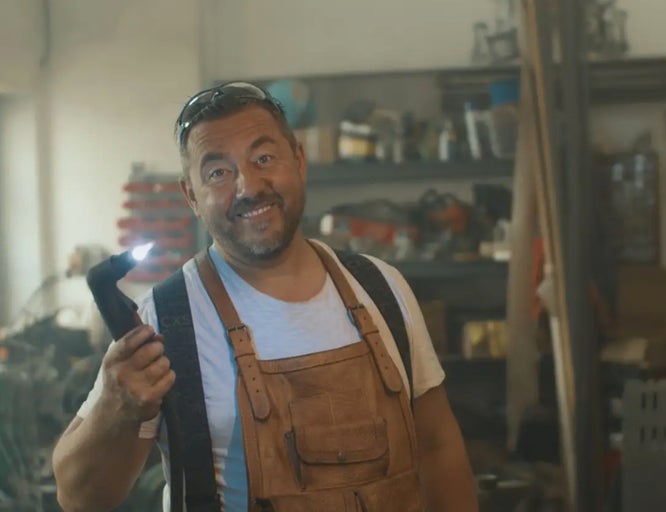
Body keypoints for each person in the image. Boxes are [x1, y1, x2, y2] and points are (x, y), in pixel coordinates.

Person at [52, 82, 479, 512]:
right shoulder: (164, 322)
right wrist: (117, 407)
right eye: (218, 172)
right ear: (190, 196)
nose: (248, 187)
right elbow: (79, 498)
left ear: (299, 160)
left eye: (264, 158)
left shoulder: (383, 289)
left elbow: (438, 449)